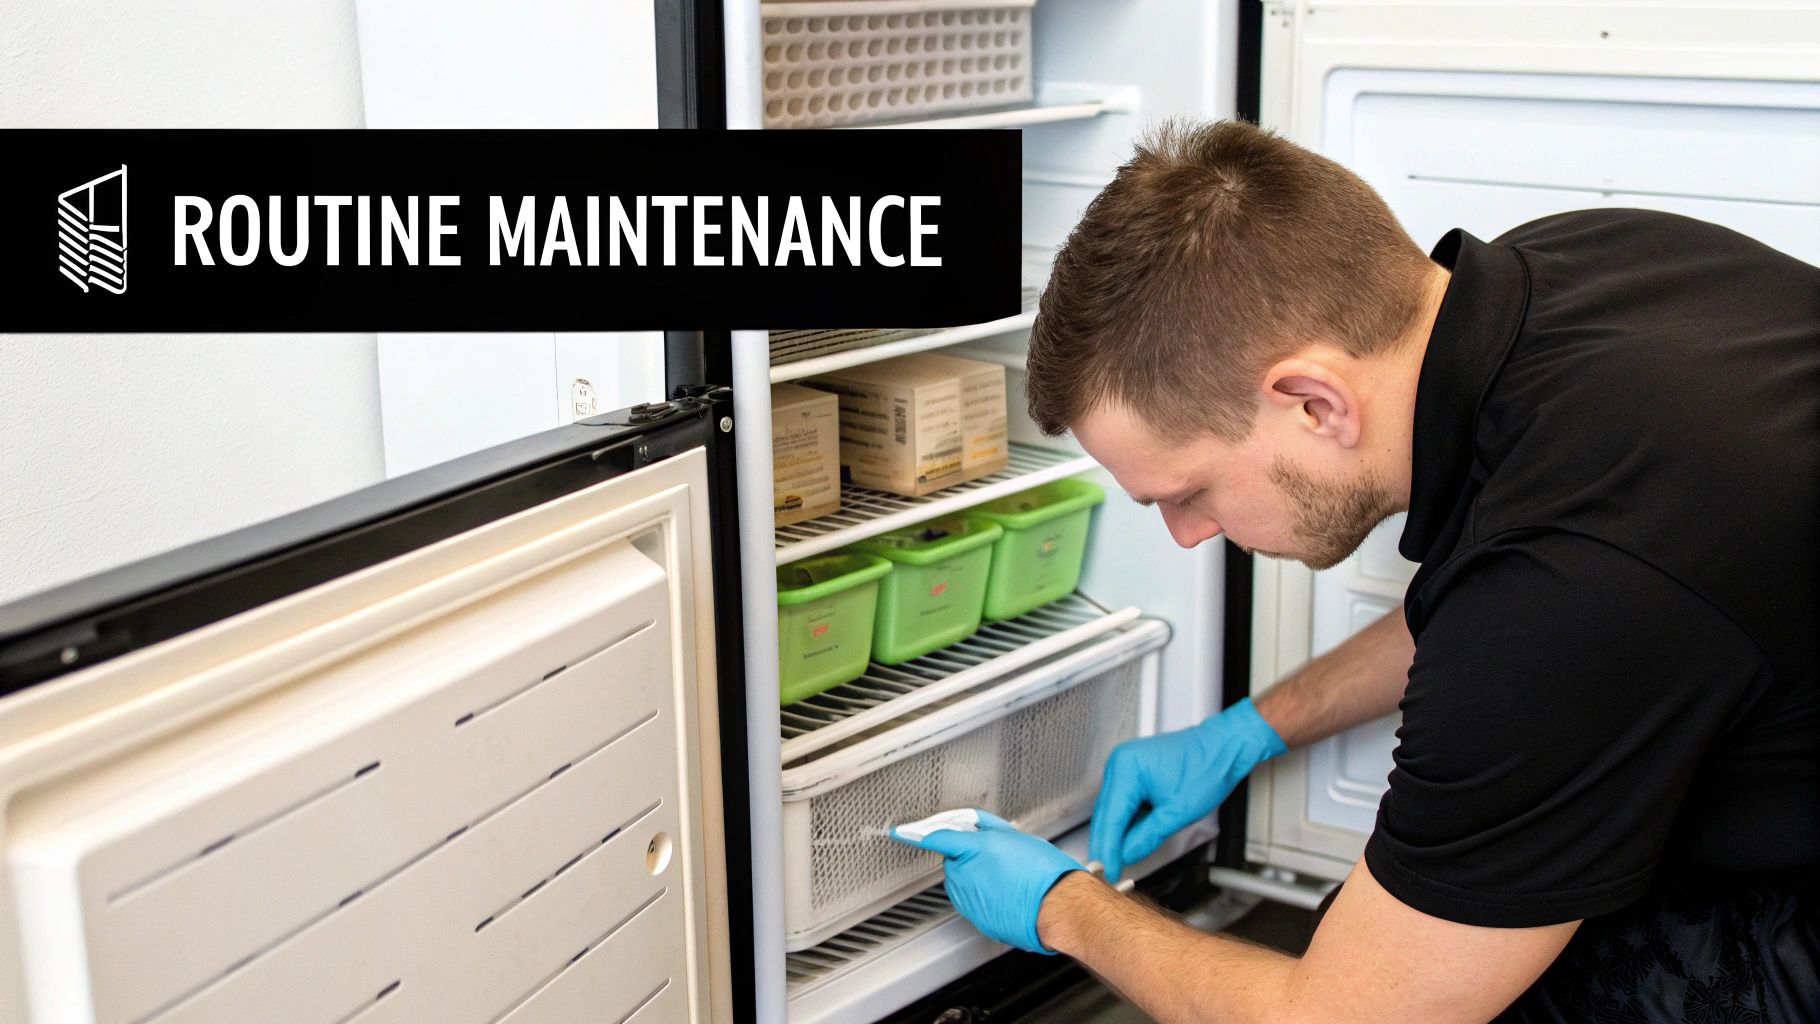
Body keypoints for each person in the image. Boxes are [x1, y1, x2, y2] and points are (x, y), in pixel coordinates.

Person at [890, 119, 1820, 1021]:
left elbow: (1338, 1017)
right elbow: (1516, 600)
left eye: (1190, 491)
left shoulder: (1572, 590)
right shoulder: (1583, 266)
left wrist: (1067, 909)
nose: (1185, 535)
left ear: (1313, 403)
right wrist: (1252, 729)